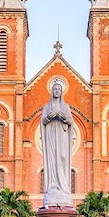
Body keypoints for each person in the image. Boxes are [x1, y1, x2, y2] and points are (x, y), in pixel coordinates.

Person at [40, 79, 74, 208]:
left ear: (62, 92)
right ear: (52, 91)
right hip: (50, 137)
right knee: (52, 160)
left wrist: (64, 117)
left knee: (63, 158)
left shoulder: (65, 107)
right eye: (55, 89)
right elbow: (43, 121)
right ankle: (53, 186)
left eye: (59, 89)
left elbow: (70, 122)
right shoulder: (47, 107)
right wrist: (49, 116)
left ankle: (63, 187)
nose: (57, 91)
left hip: (62, 136)